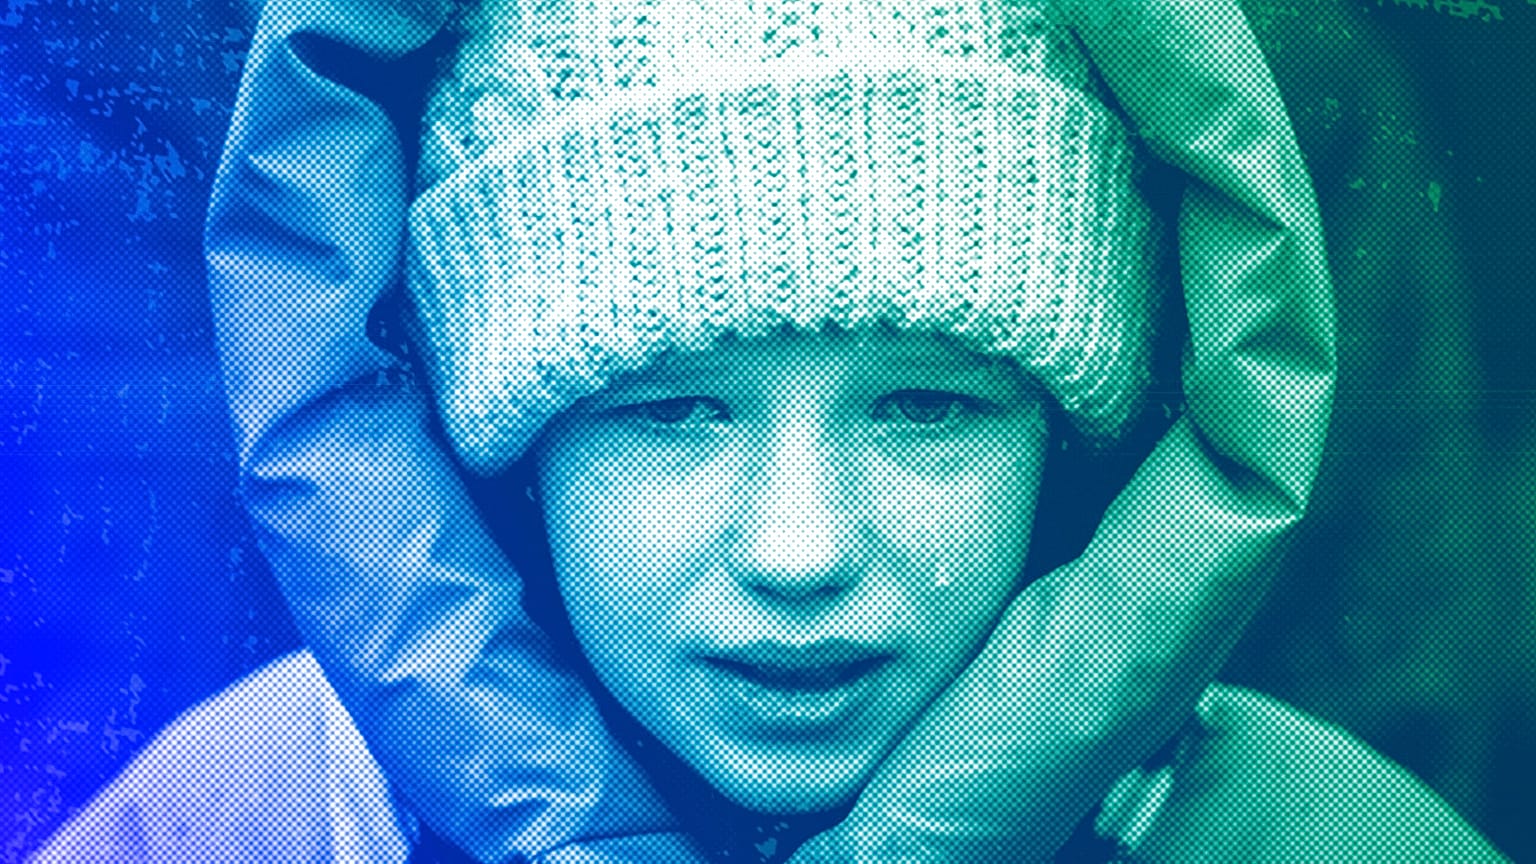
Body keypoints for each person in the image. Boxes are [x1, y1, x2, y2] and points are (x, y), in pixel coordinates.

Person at [31, 0, 1509, 861]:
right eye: (667, 411)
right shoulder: (249, 823)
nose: (798, 547)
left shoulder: (1328, 837)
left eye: (929, 405)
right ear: (505, 448)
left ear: (1068, 445)